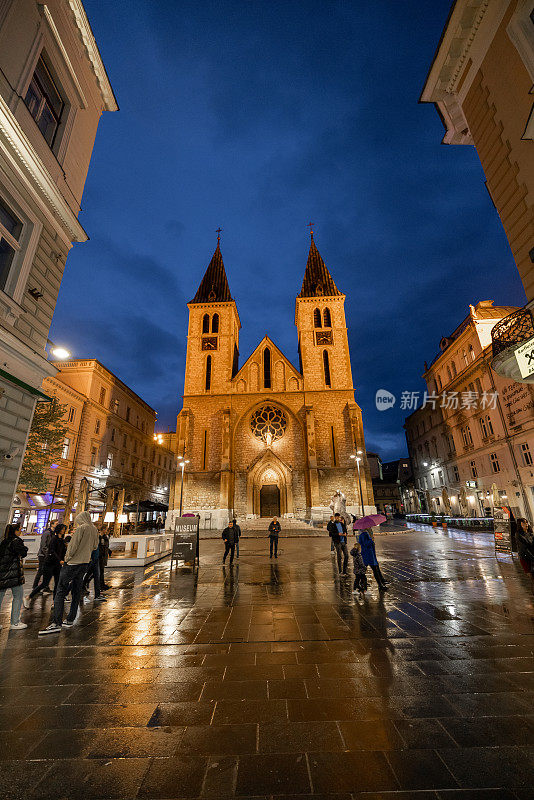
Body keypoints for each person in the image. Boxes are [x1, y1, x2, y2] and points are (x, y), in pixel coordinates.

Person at [39, 511, 99, 635]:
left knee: (60, 590)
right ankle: (70, 619)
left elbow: (73, 546)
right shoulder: (94, 529)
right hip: (84, 563)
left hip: (72, 563)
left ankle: (56, 622)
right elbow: (95, 546)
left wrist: (67, 558)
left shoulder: (81, 529)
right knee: (76, 591)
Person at [0, 523, 29, 630]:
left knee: (0, 597)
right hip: (13, 574)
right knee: (18, 596)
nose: (21, 531)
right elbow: (23, 552)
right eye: (20, 529)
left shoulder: (4, 541)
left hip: (2, 574)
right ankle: (15, 622)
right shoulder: (16, 541)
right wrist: (25, 548)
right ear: (15, 531)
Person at [29, 523, 67, 598]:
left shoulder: (62, 540)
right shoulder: (54, 538)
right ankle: (30, 596)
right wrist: (59, 560)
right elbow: (51, 550)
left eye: (64, 529)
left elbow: (62, 552)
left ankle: (55, 601)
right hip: (50, 562)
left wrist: (62, 560)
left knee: (57, 583)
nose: (63, 530)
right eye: (62, 529)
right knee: (45, 582)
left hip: (57, 564)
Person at [33, 519, 56, 593]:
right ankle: (35, 586)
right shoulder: (47, 533)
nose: (57, 525)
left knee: (48, 571)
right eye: (56, 523)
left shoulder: (53, 533)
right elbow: (43, 545)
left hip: (48, 555)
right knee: (41, 571)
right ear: (52, 524)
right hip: (43, 555)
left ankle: (46, 586)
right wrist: (47, 554)